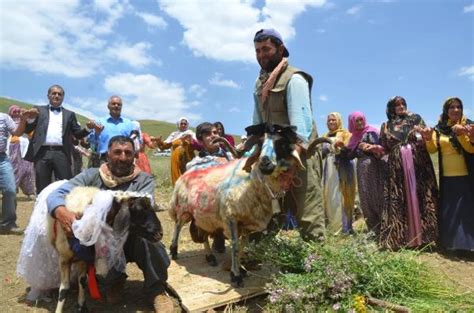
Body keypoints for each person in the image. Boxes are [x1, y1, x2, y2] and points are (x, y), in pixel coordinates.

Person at [46, 135, 174, 312]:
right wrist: (60, 210)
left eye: (128, 153)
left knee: (149, 239)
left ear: (134, 156)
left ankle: (157, 290)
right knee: (100, 241)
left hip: (132, 237)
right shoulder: (91, 175)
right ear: (108, 155)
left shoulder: (143, 180)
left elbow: (144, 209)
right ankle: (114, 282)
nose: (123, 157)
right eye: (117, 152)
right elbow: (56, 195)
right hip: (102, 239)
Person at [251, 28, 324, 241]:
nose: (261, 55)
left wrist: (293, 158)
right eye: (257, 51)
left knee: (307, 208)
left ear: (280, 49)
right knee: (270, 206)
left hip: (300, 154)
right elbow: (258, 122)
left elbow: (302, 126)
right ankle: (265, 254)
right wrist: (252, 149)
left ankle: (318, 262)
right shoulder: (259, 84)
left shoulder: (294, 78)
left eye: (266, 49)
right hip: (273, 154)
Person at [379, 96, 438, 250]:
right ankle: (401, 239)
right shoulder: (386, 125)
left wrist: (424, 134)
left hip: (418, 164)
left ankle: (427, 237)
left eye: (403, 103)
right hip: (397, 167)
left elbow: (425, 138)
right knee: (400, 198)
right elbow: (384, 147)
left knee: (421, 195)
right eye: (396, 105)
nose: (401, 106)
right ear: (391, 108)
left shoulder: (416, 119)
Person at [419, 97, 474, 253]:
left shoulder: (469, 125)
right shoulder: (439, 128)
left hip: (467, 176)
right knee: (451, 212)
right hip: (448, 178)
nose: (456, 110)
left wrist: (462, 134)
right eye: (452, 107)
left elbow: (471, 149)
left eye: (459, 107)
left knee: (468, 211)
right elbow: (432, 149)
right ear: (446, 110)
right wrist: (428, 138)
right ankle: (453, 244)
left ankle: (470, 244)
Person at [24, 85, 97, 193]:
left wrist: (87, 128)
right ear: (48, 95)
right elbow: (28, 129)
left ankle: (65, 208)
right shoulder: (38, 110)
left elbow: (77, 134)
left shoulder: (70, 114)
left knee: (66, 185)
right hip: (42, 153)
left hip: (62, 153)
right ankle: (43, 209)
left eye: (60, 94)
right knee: (42, 186)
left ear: (63, 97)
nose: (56, 96)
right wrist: (31, 118)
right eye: (54, 93)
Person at [347, 111, 386, 235]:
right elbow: (350, 155)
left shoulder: (371, 132)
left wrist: (368, 147)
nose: (359, 123)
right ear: (352, 123)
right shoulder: (353, 137)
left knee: (376, 195)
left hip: (373, 167)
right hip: (361, 168)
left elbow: (380, 149)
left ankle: (383, 227)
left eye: (361, 120)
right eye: (356, 121)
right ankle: (373, 229)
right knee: (365, 197)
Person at [321, 112, 356, 234]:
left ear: (339, 121)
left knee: (342, 196)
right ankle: (331, 228)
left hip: (342, 168)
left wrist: (342, 148)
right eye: (329, 120)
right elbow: (320, 153)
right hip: (328, 169)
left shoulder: (346, 134)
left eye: (333, 120)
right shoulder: (324, 136)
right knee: (330, 197)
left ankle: (345, 228)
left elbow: (351, 151)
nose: (331, 122)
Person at [1, 108, 31, 233]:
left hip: (2, 159)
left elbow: (17, 133)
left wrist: (23, 120)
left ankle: (8, 223)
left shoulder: (4, 117)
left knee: (10, 189)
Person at [87, 95, 136, 166]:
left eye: (119, 104)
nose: (116, 106)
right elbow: (91, 144)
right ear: (108, 106)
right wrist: (97, 133)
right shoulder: (99, 122)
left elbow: (134, 143)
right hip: (104, 159)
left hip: (123, 159)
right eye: (113, 104)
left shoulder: (129, 124)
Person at [153, 117, 195, 185]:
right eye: (182, 123)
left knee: (189, 176)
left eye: (185, 123)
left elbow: (196, 145)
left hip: (188, 158)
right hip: (176, 158)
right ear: (178, 124)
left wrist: (187, 142)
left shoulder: (190, 133)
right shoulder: (174, 135)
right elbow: (164, 146)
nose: (183, 125)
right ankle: (178, 192)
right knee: (177, 175)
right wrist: (159, 142)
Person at [8, 105, 36, 197]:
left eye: (18, 111)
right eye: (14, 111)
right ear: (10, 113)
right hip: (12, 148)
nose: (16, 113)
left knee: (28, 170)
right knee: (14, 169)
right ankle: (12, 189)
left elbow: (32, 133)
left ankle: (29, 191)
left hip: (25, 147)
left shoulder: (25, 122)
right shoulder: (7, 121)